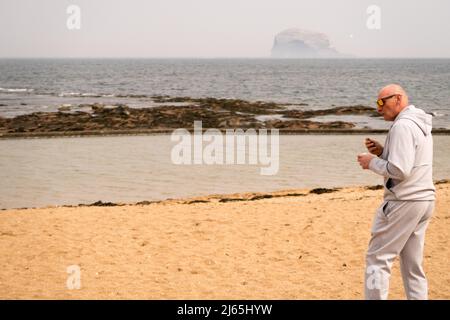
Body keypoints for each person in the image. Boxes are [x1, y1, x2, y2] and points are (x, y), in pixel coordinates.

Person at [357, 84, 436, 300]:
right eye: (377, 103)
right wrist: (384, 152)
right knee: (413, 265)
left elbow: (400, 170)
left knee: (377, 259)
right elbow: (411, 160)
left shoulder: (402, 126)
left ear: (398, 99)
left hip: (404, 201)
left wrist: (371, 162)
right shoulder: (419, 123)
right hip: (424, 199)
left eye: (382, 102)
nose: (379, 108)